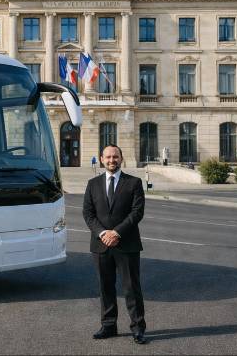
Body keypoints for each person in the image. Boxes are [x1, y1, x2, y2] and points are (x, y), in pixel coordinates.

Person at [83, 145, 147, 345]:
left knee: (131, 288)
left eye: (116, 157)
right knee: (105, 287)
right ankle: (109, 325)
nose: (112, 160)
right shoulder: (92, 184)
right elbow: (88, 214)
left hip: (126, 244)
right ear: (101, 159)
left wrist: (116, 232)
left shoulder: (134, 183)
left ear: (121, 158)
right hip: (101, 244)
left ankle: (138, 328)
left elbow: (137, 212)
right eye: (108, 157)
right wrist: (103, 233)